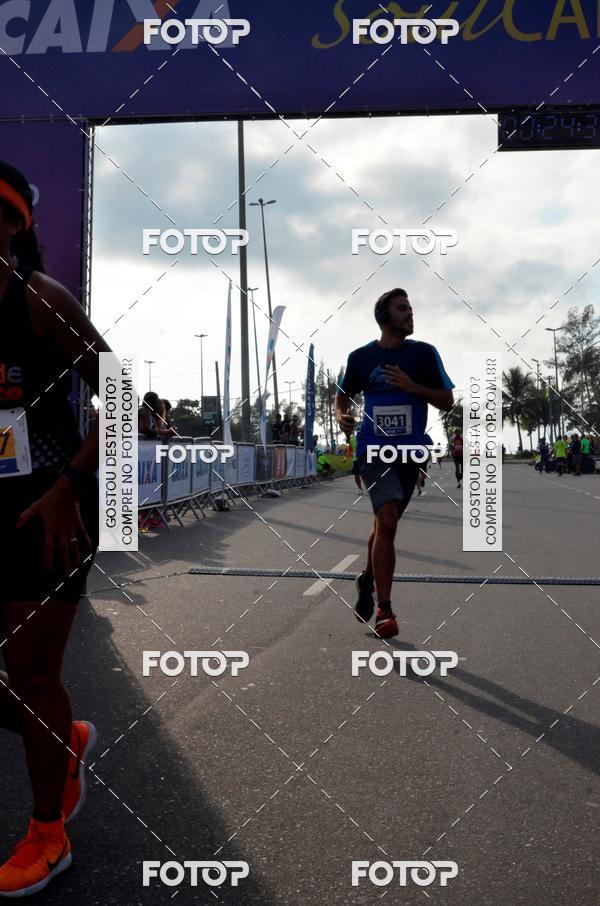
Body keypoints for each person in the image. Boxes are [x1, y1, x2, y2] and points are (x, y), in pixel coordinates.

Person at [0, 161, 110, 895]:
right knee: (28, 692)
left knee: (32, 675)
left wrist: (72, 485)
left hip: (49, 508)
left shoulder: (40, 300)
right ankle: (61, 739)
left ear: (11, 224)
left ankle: (48, 833)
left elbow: (124, 399)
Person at [336, 288, 454, 639]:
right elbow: (342, 395)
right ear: (384, 317)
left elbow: (446, 401)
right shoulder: (360, 357)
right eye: (403, 309)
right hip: (373, 450)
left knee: (383, 525)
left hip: (411, 453)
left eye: (411, 308)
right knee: (386, 522)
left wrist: (412, 386)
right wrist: (342, 415)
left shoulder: (424, 354)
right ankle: (385, 610)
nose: (410, 313)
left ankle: (366, 579)